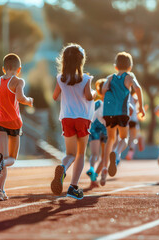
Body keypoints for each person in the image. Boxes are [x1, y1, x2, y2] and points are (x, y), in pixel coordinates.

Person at [0, 53, 34, 201]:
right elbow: (20, 98)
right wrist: (29, 101)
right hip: (14, 123)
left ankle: (0, 190)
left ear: (3, 68)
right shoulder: (18, 81)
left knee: (2, 155)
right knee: (11, 159)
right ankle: (1, 173)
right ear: (19, 69)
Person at [50, 43, 94, 200]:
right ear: (80, 62)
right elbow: (89, 97)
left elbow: (54, 97)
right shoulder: (86, 79)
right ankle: (73, 186)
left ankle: (63, 167)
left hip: (67, 118)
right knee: (81, 153)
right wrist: (94, 93)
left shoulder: (60, 79)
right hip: (82, 118)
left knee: (70, 153)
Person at [98, 52, 145, 185]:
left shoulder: (110, 77)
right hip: (122, 112)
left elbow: (104, 90)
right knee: (124, 137)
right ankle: (117, 153)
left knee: (110, 139)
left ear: (116, 66)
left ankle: (104, 170)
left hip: (109, 112)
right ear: (130, 66)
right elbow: (138, 88)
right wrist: (140, 107)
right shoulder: (129, 77)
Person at [86, 79, 107, 189]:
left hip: (93, 129)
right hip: (105, 130)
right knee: (104, 157)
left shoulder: (96, 103)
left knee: (94, 154)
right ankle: (95, 176)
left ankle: (92, 171)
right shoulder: (110, 105)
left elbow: (89, 115)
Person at [125, 89, 144, 160]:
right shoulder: (135, 98)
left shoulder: (125, 96)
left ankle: (118, 152)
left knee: (125, 137)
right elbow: (137, 110)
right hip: (133, 120)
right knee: (133, 138)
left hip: (125, 119)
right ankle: (130, 152)